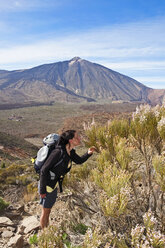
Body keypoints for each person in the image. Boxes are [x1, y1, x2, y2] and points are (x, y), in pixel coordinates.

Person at [39, 129, 95, 229]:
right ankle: (45, 235)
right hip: (47, 185)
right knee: (46, 211)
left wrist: (88, 153)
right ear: (70, 140)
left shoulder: (70, 152)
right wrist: (42, 190)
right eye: (77, 137)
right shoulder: (58, 152)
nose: (79, 139)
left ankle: (46, 231)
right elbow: (43, 170)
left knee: (48, 210)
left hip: (53, 184)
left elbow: (79, 161)